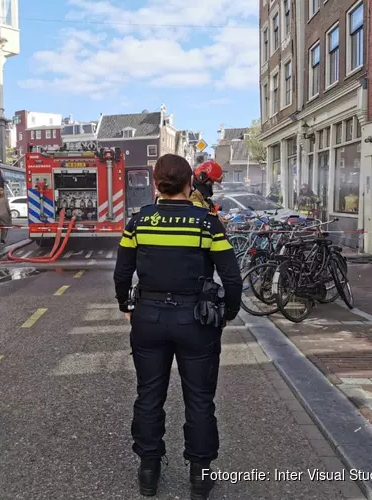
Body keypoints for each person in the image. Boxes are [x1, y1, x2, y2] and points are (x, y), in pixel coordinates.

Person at [113, 154, 243, 499]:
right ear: (190, 183)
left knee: (149, 394)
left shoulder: (138, 221)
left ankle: (149, 470)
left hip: (149, 319)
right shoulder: (207, 222)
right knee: (199, 398)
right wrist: (229, 311)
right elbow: (231, 274)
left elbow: (122, 272)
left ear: (156, 184)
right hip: (196, 320)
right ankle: (200, 477)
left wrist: (125, 305)